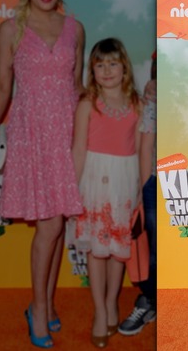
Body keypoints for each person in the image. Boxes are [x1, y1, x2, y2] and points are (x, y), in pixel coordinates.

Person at [0, 0, 85, 349]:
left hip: (65, 134)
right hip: (30, 136)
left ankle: (46, 303)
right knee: (49, 225)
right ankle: (38, 308)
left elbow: (76, 88)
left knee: (57, 225)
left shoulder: (74, 28)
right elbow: (1, 86)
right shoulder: (10, 29)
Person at [71, 38, 141, 348]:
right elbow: (78, 149)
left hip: (124, 182)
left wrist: (139, 189)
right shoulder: (87, 103)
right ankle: (100, 312)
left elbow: (140, 150)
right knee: (96, 251)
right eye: (100, 64)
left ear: (124, 67)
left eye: (113, 63)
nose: (107, 70)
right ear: (92, 70)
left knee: (117, 250)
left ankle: (112, 302)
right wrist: (72, 190)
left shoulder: (137, 104)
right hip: (93, 183)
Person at [118, 52, 157, 336]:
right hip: (153, 184)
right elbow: (145, 147)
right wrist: (145, 188)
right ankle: (149, 300)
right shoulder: (151, 101)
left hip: (184, 180)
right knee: (150, 250)